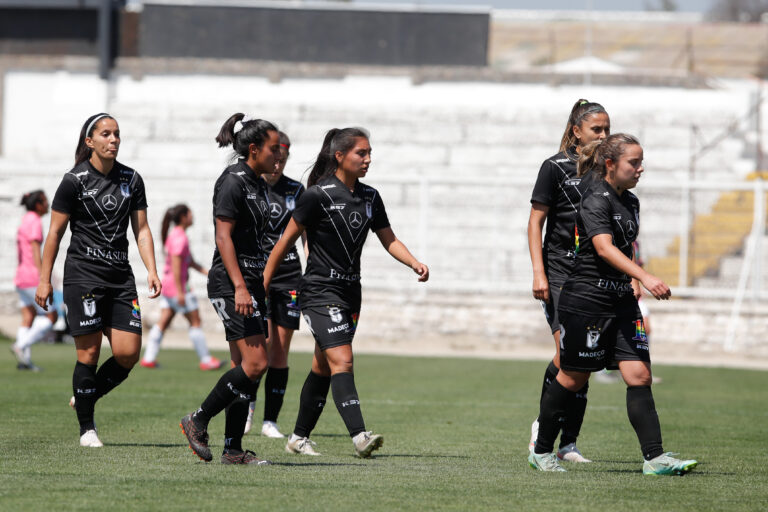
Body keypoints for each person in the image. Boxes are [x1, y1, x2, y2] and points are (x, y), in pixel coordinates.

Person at [528, 133, 698, 475]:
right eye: (633, 162)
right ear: (610, 164)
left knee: (639, 375)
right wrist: (647, 277)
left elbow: (626, 246)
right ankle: (542, 450)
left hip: (620, 301)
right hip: (587, 299)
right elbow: (604, 248)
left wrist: (634, 280)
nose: (640, 169)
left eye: (641, 162)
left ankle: (654, 459)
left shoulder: (630, 201)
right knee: (574, 377)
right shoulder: (594, 198)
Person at [263, 127, 429, 458]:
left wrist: (413, 262)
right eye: (361, 153)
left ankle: (298, 437)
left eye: (369, 153)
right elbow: (286, 241)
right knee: (343, 359)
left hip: (351, 292)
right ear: (340, 156)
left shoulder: (370, 197)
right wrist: (262, 283)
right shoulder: (317, 195)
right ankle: (359, 436)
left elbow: (389, 239)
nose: (368, 159)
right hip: (319, 291)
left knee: (323, 366)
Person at [35, 113, 162, 448]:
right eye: (106, 134)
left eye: (117, 134)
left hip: (121, 278)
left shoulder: (132, 179)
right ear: (89, 141)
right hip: (83, 276)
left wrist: (151, 268)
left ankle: (85, 394)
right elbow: (55, 234)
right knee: (88, 354)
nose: (114, 139)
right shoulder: (74, 180)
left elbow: (142, 229)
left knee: (128, 353)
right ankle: (87, 429)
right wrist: (44, 280)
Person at [179, 114, 281, 465]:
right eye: (273, 147)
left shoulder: (258, 182)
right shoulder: (233, 181)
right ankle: (198, 419)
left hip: (251, 283)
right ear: (254, 149)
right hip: (230, 282)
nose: (278, 153)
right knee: (256, 363)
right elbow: (223, 236)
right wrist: (239, 286)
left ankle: (233, 450)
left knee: (243, 366)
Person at [527, 99, 610, 462]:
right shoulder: (555, 167)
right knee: (568, 356)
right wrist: (538, 271)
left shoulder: (608, 169)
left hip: (595, 276)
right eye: (597, 129)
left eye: (607, 129)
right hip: (561, 273)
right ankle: (544, 432)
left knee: (584, 359)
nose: (604, 135)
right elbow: (535, 223)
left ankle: (568, 444)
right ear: (577, 131)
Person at [244, 131, 306, 438]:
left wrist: (311, 265)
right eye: (276, 154)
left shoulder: (296, 189)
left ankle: (270, 421)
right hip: (257, 273)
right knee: (260, 348)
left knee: (280, 350)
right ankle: (248, 406)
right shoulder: (248, 186)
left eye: (285, 156)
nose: (279, 161)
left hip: (289, 276)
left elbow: (306, 235)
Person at [140, 204, 223, 371]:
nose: (193, 217)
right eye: (190, 214)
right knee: (195, 321)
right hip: (178, 288)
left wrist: (209, 273)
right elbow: (177, 267)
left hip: (169, 286)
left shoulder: (177, 235)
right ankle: (206, 360)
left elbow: (189, 262)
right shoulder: (180, 238)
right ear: (184, 217)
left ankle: (148, 358)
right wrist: (180, 292)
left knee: (163, 322)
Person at [11, 190, 58, 371]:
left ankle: (25, 361)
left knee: (28, 317)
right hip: (32, 277)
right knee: (51, 316)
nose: (48, 204)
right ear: (38, 204)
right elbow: (35, 252)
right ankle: (20, 345)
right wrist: (43, 278)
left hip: (20, 276)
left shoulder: (25, 220)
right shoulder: (35, 221)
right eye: (45, 201)